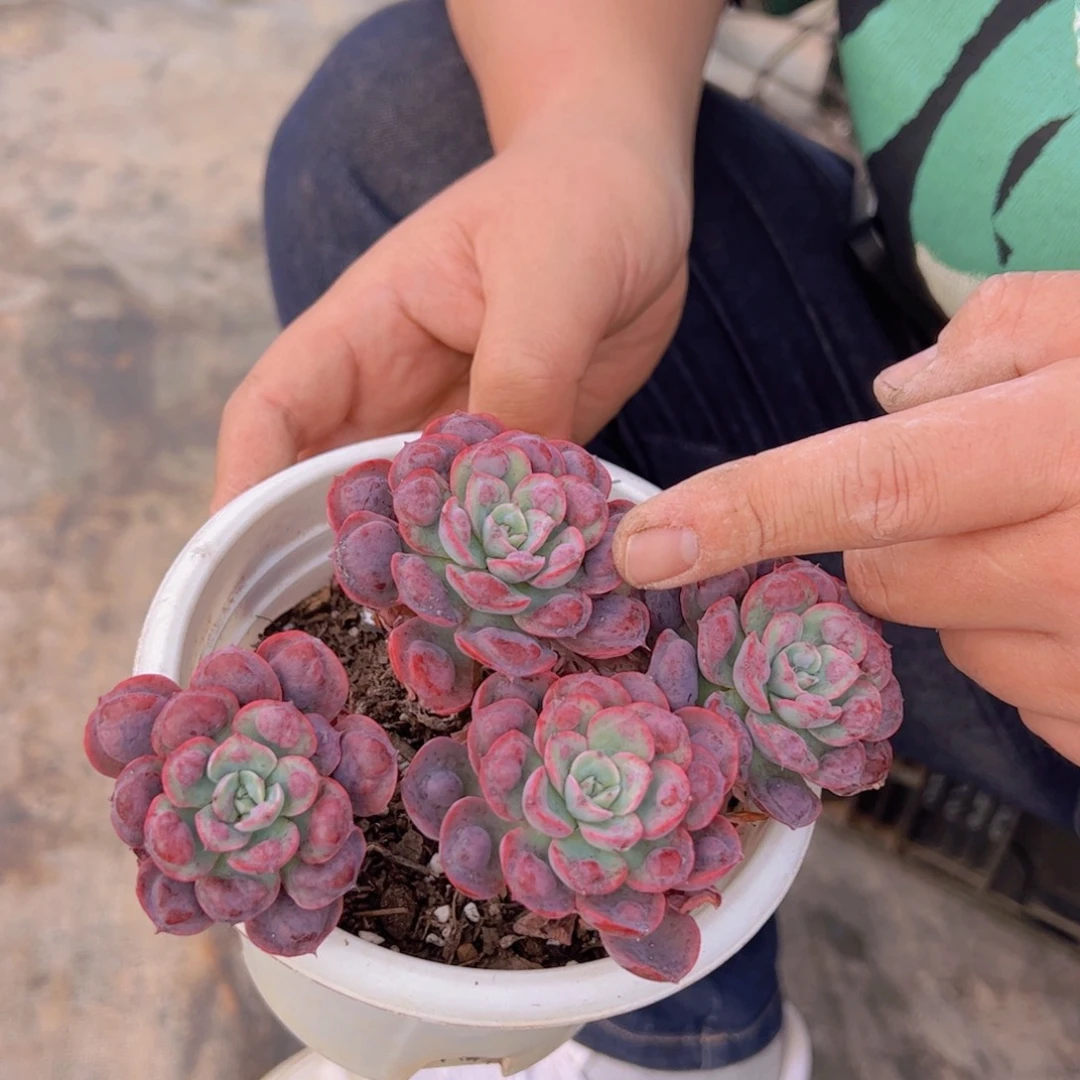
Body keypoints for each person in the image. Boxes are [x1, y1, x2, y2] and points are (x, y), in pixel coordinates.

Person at [212, 2, 1080, 1077]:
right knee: (403, 122)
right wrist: (595, 126)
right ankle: (683, 1035)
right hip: (927, 326)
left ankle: (680, 1042)